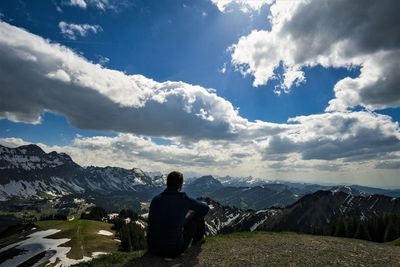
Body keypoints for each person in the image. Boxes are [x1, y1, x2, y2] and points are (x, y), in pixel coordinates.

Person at [147, 171, 209, 258]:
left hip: (153, 248)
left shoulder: (156, 199)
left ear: (167, 183)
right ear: (180, 185)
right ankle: (198, 239)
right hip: (173, 250)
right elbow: (205, 208)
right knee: (195, 212)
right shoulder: (183, 199)